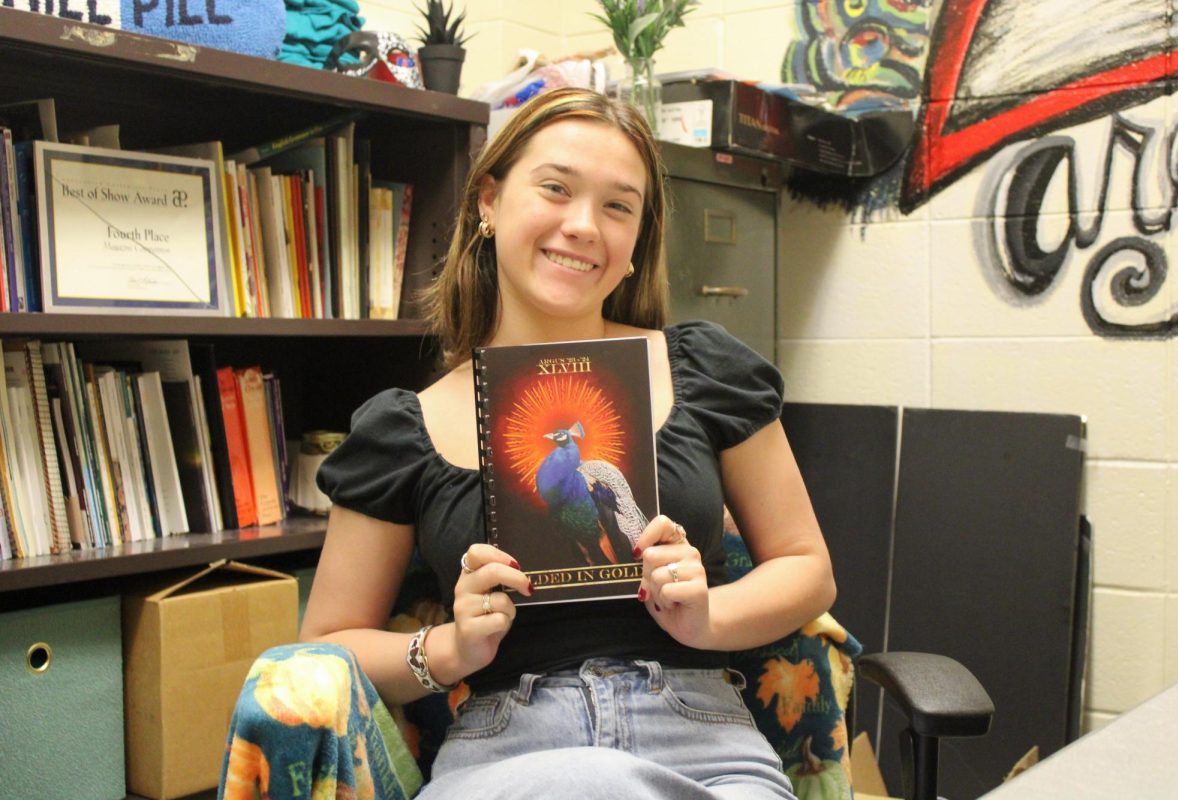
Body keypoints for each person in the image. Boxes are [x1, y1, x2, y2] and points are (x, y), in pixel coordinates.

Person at [296, 86, 835, 798]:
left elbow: (807, 567)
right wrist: (449, 649)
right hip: (505, 753)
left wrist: (710, 617)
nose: (583, 225)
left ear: (637, 241)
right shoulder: (403, 429)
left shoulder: (704, 370)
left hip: (703, 743)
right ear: (488, 201)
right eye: (556, 188)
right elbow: (326, 649)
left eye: (618, 206)